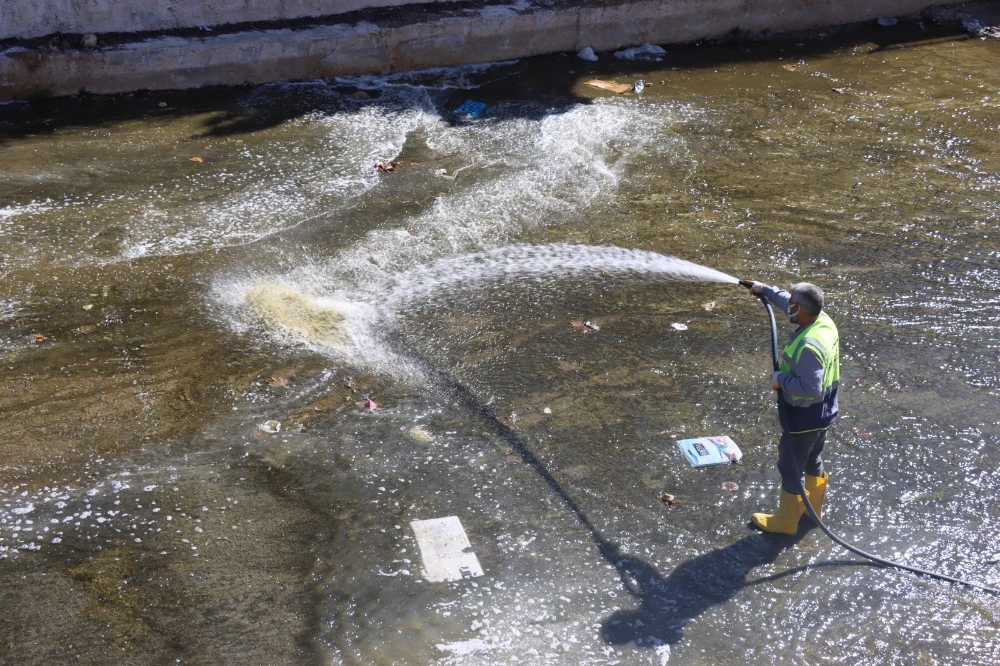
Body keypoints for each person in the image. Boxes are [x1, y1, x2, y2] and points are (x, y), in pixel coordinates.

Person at [746, 281, 839, 534]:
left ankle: (786, 522)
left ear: (799, 309)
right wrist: (763, 289)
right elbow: (786, 299)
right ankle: (812, 509)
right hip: (824, 413)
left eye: (792, 303)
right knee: (813, 459)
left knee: (790, 466)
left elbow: (812, 387)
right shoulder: (823, 321)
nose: (788, 305)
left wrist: (780, 380)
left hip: (804, 417)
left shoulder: (809, 345)